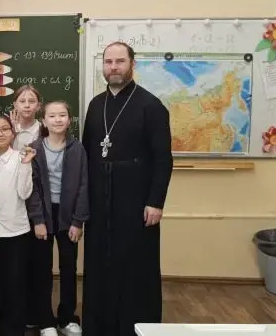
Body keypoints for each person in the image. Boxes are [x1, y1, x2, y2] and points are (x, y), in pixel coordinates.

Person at [81, 42, 173, 335]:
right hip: (100, 202)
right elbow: (87, 154)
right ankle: (99, 326)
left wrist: (156, 202)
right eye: (108, 62)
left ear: (132, 64)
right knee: (100, 265)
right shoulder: (96, 105)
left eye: (120, 61)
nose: (113, 67)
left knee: (135, 268)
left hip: (136, 204)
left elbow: (163, 159)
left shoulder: (151, 106)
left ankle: (135, 327)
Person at [26, 100, 88, 336]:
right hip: (43, 214)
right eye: (52, 116)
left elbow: (83, 185)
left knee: (69, 268)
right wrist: (38, 220)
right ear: (43, 120)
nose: (57, 119)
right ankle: (45, 321)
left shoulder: (77, 149)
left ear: (69, 120)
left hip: (68, 215)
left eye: (62, 115)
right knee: (42, 270)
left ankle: (67, 318)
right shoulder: (34, 148)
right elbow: (31, 188)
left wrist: (78, 221)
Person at [0, 114, 37, 336]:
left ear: (12, 133)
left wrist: (25, 165)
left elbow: (24, 193)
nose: (0, 134)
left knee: (15, 284)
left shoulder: (20, 157)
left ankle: (14, 330)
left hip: (16, 232)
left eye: (4, 129)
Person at [10, 85, 42, 150]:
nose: (27, 105)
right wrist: (12, 133)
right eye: (22, 101)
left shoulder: (44, 131)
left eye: (32, 101)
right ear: (15, 105)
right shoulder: (8, 130)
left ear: (38, 106)